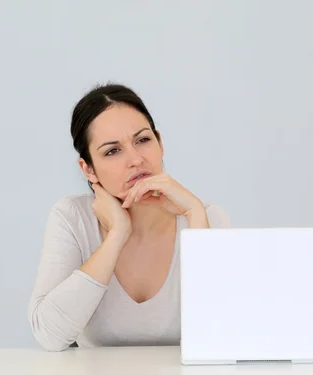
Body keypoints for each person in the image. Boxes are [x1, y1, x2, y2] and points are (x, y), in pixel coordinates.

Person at [28, 83, 231, 351]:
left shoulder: (205, 218)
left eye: (143, 140)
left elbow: (225, 330)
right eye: (112, 151)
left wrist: (194, 214)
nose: (135, 159)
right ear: (88, 169)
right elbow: (50, 336)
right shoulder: (72, 217)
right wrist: (117, 235)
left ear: (160, 143)